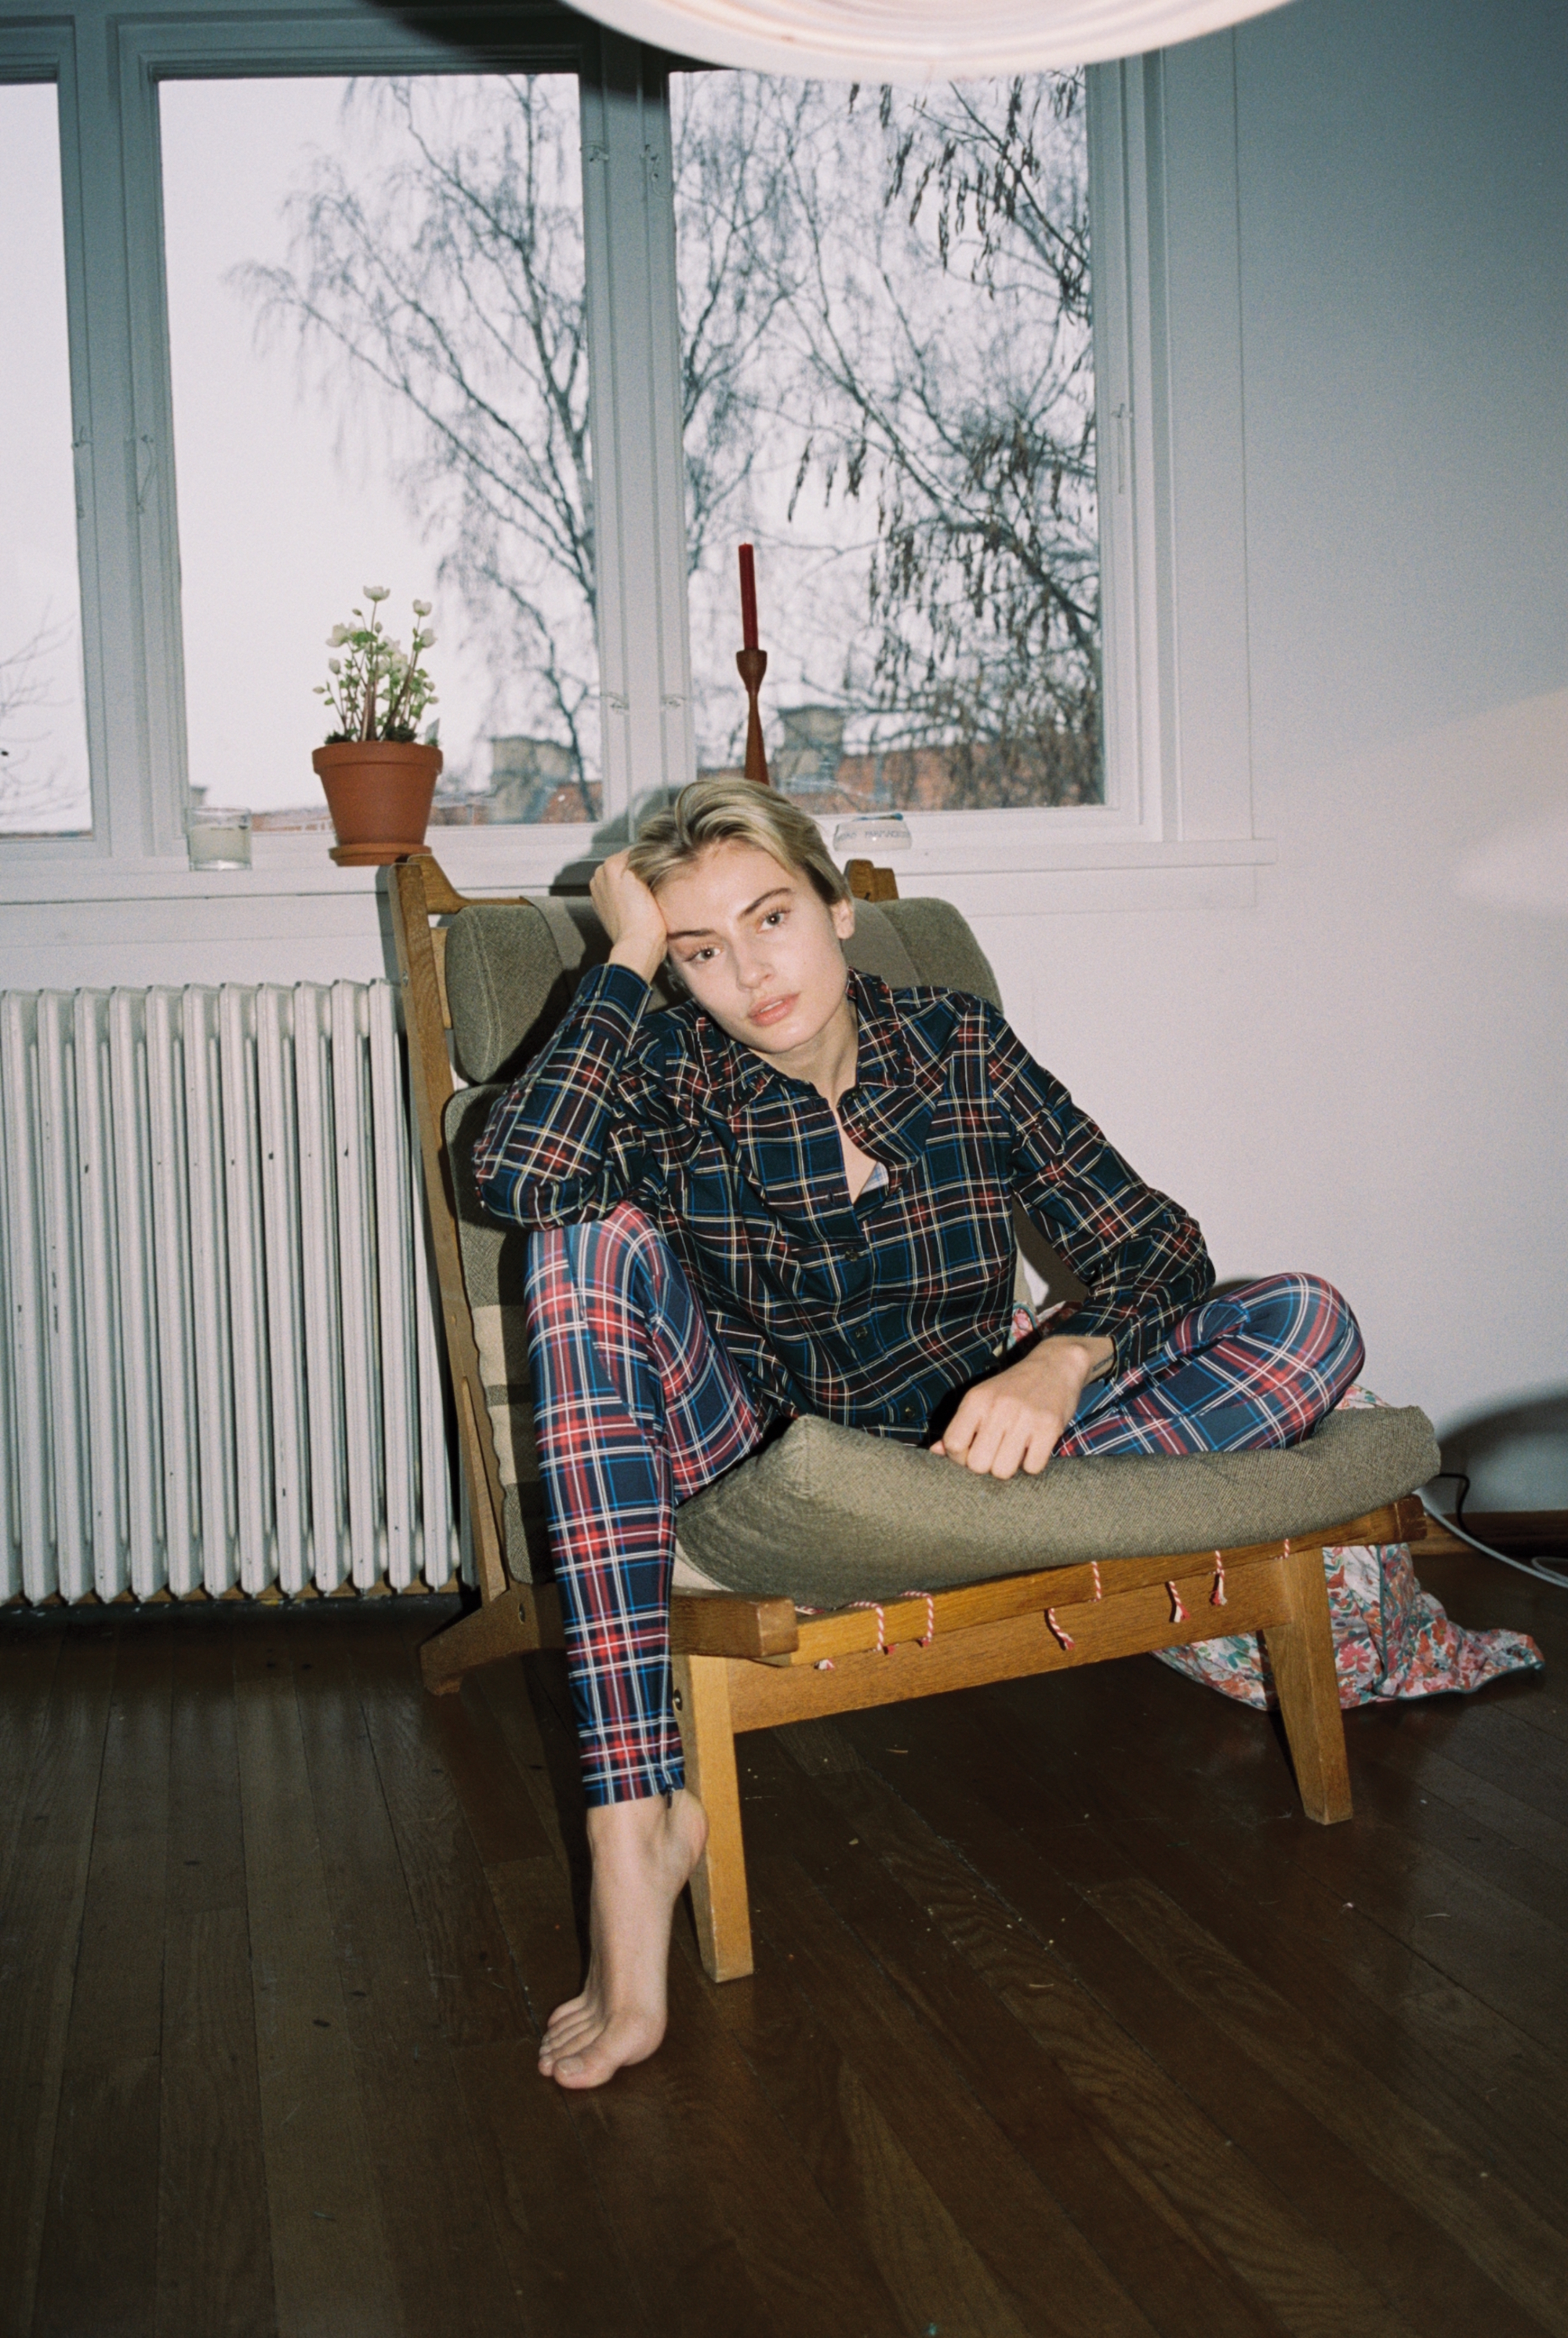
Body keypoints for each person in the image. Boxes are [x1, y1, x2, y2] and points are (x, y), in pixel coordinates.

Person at [474, 777, 1363, 2089]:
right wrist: (625, 959)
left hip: (980, 1474)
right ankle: (635, 1833)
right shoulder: (668, 1071)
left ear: (839, 907)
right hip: (769, 1477)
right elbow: (517, 1177)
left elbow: (1158, 1245)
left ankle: (1017, 1474)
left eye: (772, 917)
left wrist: (1059, 1358)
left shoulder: (958, 1046)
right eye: (701, 950)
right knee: (578, 1246)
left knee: (1308, 1319)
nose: (750, 974)